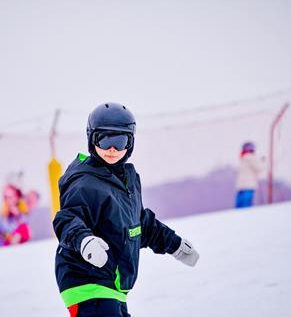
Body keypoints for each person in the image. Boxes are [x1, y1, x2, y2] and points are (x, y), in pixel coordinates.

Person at [53, 103, 200, 317]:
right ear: (92, 140)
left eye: (120, 141)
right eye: (104, 140)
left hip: (113, 282)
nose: (112, 149)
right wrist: (85, 241)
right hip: (85, 279)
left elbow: (141, 224)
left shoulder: (127, 179)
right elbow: (67, 219)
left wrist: (175, 244)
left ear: (130, 143)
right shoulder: (84, 181)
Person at [235, 141, 266, 208]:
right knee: (246, 204)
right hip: (249, 184)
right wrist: (262, 161)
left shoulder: (242, 158)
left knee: (240, 204)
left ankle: (238, 216)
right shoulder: (251, 158)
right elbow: (260, 168)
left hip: (241, 185)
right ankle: (245, 216)